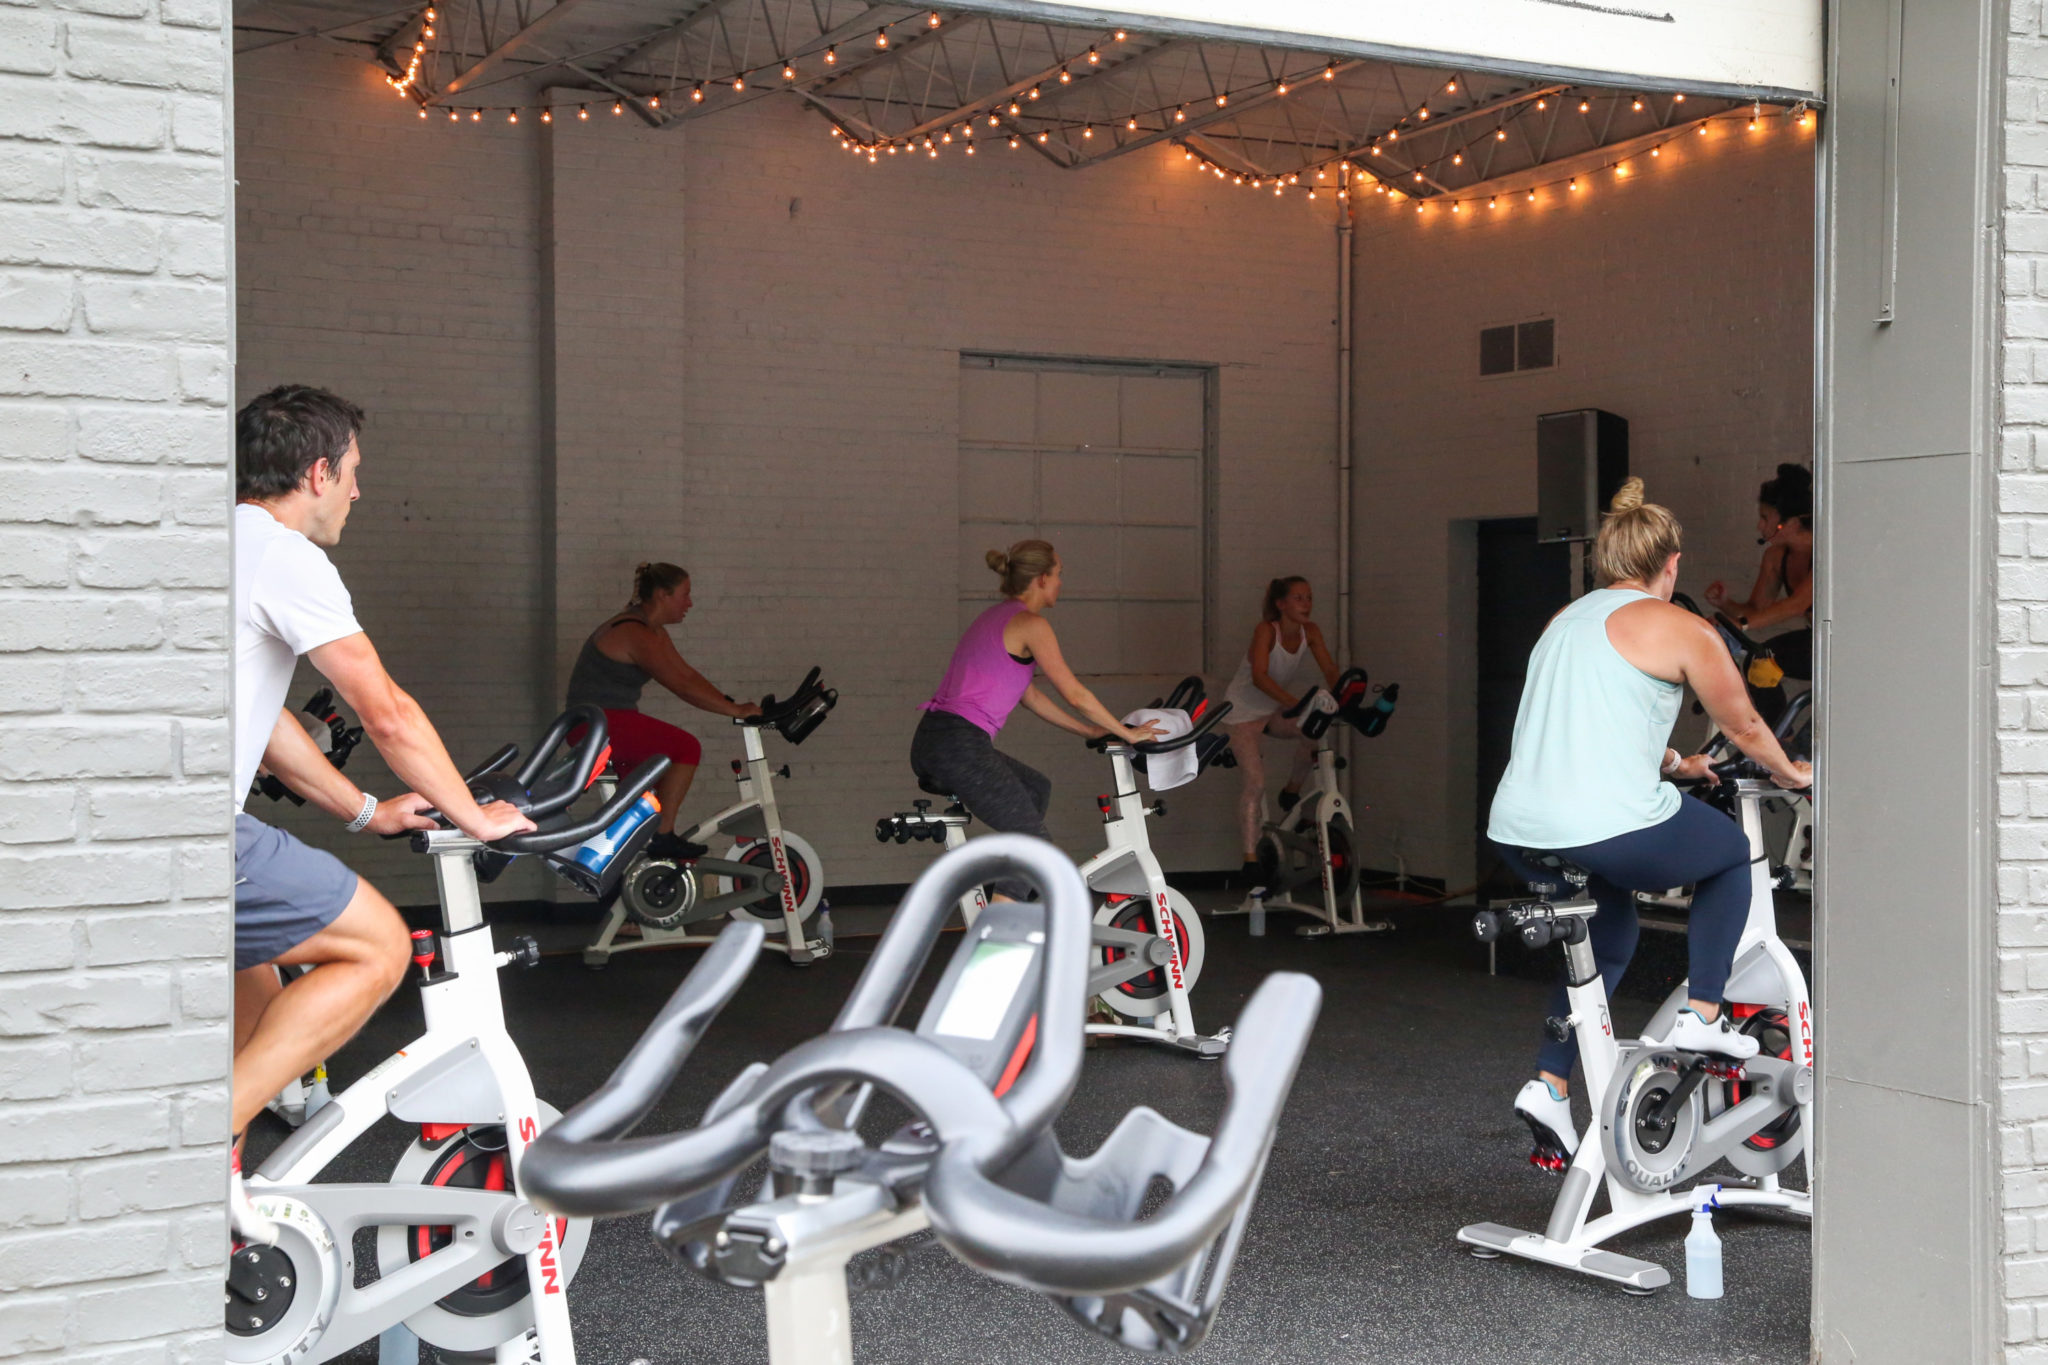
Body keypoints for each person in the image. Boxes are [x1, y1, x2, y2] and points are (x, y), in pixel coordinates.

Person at [230, 386, 535, 1239]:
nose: (358, 492)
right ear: (317, 473)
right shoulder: (285, 555)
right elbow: (387, 711)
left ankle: (209, 1207)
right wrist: (474, 815)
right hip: (190, 835)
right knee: (378, 946)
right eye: (353, 473)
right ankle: (197, 1146)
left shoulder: (218, 542)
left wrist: (367, 810)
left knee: (257, 999)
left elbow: (270, 725)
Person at [1487, 477, 1812, 1159]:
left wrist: (1673, 762)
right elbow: (1745, 725)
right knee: (1729, 854)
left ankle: (1549, 1083)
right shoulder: (1682, 626)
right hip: (1605, 825)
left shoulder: (1562, 620)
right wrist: (1793, 773)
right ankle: (1705, 1014)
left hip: (1519, 829)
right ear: (1671, 563)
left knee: (1609, 935)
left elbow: (1583, 721)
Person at [910, 539, 1161, 901]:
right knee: (1033, 840)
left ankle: (1016, 897)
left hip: (939, 738)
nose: (1061, 583)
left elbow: (1030, 697)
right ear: (1042, 579)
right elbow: (1075, 694)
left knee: (1035, 788)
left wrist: (1091, 730)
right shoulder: (1031, 624)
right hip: (958, 743)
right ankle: (999, 927)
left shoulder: (997, 617)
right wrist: (1127, 733)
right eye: (1059, 574)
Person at [564, 562, 761, 862]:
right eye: (685, 594)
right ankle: (663, 836)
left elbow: (688, 675)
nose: (689, 603)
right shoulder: (634, 632)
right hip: (595, 725)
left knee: (649, 790)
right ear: (662, 595)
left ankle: (638, 853)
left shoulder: (652, 631)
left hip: (606, 721)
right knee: (686, 748)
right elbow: (680, 685)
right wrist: (735, 710)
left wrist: (733, 704)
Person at [1222, 576, 1340, 883]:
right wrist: (1293, 703)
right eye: (1298, 598)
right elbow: (1260, 677)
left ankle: (1291, 791)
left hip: (1272, 711)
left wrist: (1342, 697)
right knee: (1256, 782)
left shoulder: (1310, 632)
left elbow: (1330, 669)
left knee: (1313, 730)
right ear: (1281, 604)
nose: (1306, 604)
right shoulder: (1266, 630)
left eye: (1309, 597)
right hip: (1241, 715)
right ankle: (1250, 859)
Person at [1705, 462, 1813, 680]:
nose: (1759, 526)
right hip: (1816, 638)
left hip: (1847, 643)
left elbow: (1797, 605)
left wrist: (1741, 625)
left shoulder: (1827, 554)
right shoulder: (1775, 556)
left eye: (1765, 518)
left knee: (1763, 663)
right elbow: (1756, 610)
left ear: (1791, 522)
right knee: (1757, 662)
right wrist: (1725, 604)